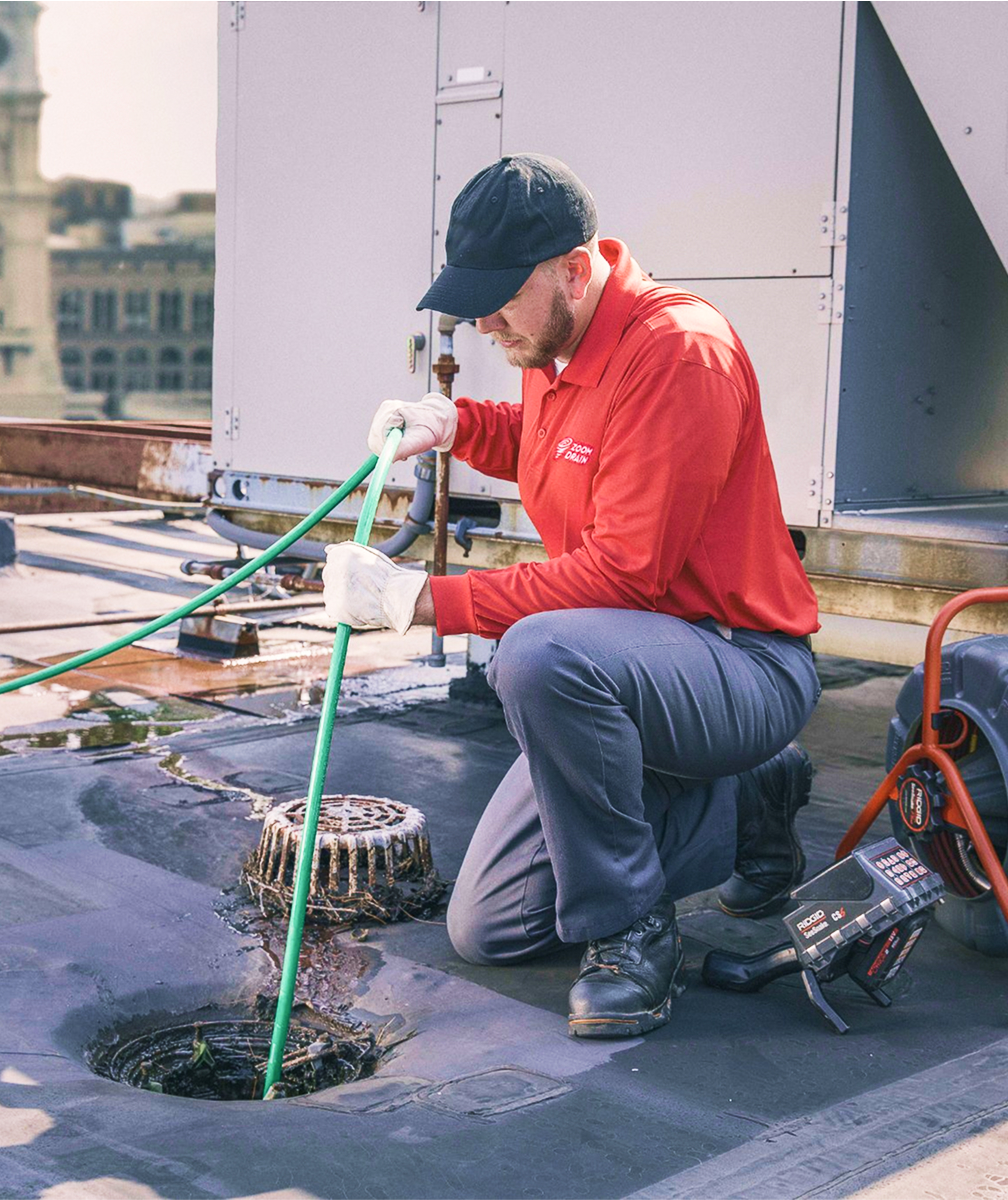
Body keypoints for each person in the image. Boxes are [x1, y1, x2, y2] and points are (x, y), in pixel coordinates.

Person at [322, 154, 821, 1038]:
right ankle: (743, 804)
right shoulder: (551, 338)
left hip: (737, 663)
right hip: (634, 669)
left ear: (575, 270)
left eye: (498, 299)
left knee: (542, 653)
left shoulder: (677, 352)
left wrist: (420, 602)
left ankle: (630, 929)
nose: (483, 323)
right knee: (491, 929)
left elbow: (624, 574)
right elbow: (556, 442)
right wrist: (456, 425)